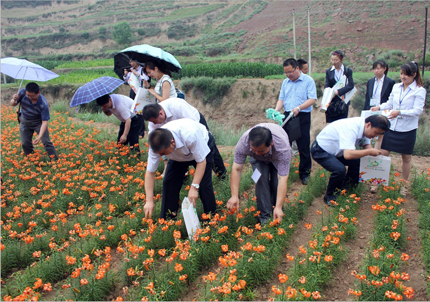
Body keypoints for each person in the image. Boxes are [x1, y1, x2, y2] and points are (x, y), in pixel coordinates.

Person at [371, 61, 426, 196]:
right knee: (382, 153)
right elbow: (390, 102)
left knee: (406, 158)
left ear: (414, 75)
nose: (403, 77)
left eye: (406, 75)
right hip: (392, 126)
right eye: (401, 74)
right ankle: (376, 182)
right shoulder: (396, 87)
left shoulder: (419, 90)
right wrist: (379, 107)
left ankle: (404, 185)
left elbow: (417, 111)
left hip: (407, 129)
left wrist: (399, 112)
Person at [143, 118, 217, 219]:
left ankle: (211, 218)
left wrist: (194, 187)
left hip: (202, 148)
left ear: (172, 142)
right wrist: (149, 201)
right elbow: (150, 173)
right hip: (177, 155)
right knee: (169, 182)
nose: (161, 156)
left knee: (204, 185)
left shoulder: (190, 135)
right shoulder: (156, 146)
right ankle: (168, 219)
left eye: (163, 153)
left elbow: (201, 161)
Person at [311, 115, 390, 205]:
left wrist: (373, 155)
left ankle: (346, 190)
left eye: (379, 134)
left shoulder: (364, 127)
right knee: (339, 170)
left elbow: (366, 145)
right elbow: (348, 155)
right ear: (368, 125)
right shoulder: (351, 128)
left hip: (338, 151)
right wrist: (369, 151)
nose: (375, 136)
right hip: (321, 150)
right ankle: (330, 197)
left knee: (359, 162)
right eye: (376, 132)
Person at [142, 98, 227, 179]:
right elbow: (154, 139)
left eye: (155, 121)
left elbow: (194, 126)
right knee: (178, 152)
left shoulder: (176, 106)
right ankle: (184, 176)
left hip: (194, 125)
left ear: (161, 113)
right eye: (152, 122)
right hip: (174, 135)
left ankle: (221, 174)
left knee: (207, 148)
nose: (155, 124)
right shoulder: (153, 120)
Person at [227, 124, 291, 224]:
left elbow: (282, 178)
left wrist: (278, 207)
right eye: (254, 150)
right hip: (257, 161)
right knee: (260, 179)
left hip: (276, 157)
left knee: (276, 182)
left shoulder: (282, 149)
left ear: (271, 143)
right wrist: (234, 196)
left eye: (261, 150)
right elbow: (236, 169)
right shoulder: (243, 143)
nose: (257, 152)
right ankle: (265, 217)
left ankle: (277, 209)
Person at [275, 58, 316, 185]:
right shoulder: (285, 82)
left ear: (297, 68)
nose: (288, 75)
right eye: (286, 72)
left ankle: (305, 173)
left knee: (303, 145)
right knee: (283, 143)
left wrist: (299, 108)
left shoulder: (308, 81)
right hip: (287, 115)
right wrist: (276, 110)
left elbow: (312, 99)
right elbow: (281, 99)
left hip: (302, 115)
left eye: (290, 72)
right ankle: (282, 170)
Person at [10, 82, 58, 160]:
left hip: (38, 123)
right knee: (25, 143)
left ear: (38, 92)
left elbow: (44, 122)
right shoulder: (22, 92)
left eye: (32, 96)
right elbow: (13, 104)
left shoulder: (43, 103)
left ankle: (55, 160)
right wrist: (14, 99)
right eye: (28, 95)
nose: (29, 97)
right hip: (25, 121)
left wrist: (39, 136)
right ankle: (31, 158)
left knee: (46, 142)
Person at [324, 50, 355, 123]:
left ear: (341, 60)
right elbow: (327, 85)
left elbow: (351, 85)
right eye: (332, 60)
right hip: (332, 101)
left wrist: (338, 92)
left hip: (343, 101)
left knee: (342, 123)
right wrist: (329, 92)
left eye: (336, 60)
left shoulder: (347, 71)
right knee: (332, 124)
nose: (334, 62)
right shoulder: (329, 71)